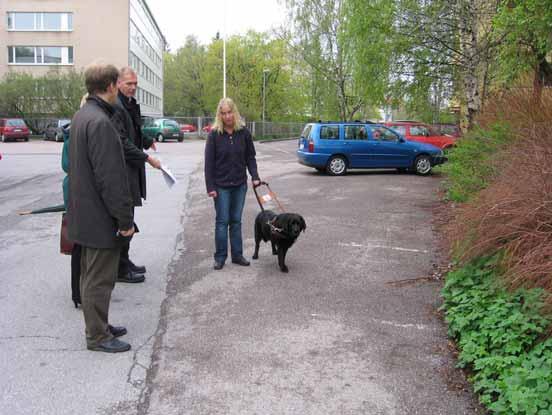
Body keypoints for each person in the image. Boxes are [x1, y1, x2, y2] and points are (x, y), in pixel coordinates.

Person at [67, 62, 135, 353]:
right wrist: (124, 220)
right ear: (110, 86)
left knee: (90, 275)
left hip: (84, 213)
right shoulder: (101, 123)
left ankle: (100, 325)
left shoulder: (83, 115)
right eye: (118, 84)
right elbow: (111, 179)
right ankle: (97, 336)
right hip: (99, 217)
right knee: (99, 279)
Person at [114, 67, 161, 283]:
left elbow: (134, 134)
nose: (133, 87)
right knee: (125, 219)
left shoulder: (130, 105)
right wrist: (146, 158)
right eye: (128, 83)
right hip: (123, 172)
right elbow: (122, 142)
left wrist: (147, 141)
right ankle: (120, 269)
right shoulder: (116, 106)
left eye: (135, 84)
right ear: (118, 84)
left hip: (132, 171)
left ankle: (125, 261)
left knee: (130, 217)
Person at [204, 97, 261, 270]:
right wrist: (210, 187)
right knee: (222, 221)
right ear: (219, 115)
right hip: (221, 186)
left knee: (236, 221)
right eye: (223, 113)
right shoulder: (214, 135)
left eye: (229, 112)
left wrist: (255, 176)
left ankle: (237, 255)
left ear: (234, 113)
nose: (227, 116)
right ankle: (220, 257)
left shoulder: (243, 132)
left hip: (239, 185)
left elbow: (250, 157)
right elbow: (209, 164)